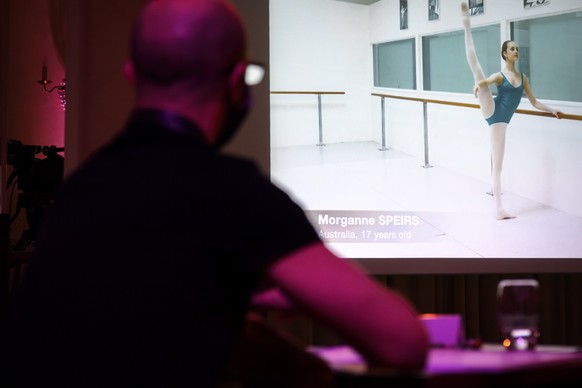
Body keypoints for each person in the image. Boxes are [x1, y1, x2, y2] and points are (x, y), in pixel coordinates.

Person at [0, 0, 429, 386]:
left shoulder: (79, 189)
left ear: (132, 74)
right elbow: (402, 342)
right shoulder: (233, 193)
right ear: (239, 80)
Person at [461, 2, 562, 220]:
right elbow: (487, 80)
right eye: (512, 49)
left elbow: (534, 102)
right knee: (477, 69)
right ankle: (467, 25)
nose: (516, 51)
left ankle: (499, 210)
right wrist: (479, 85)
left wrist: (552, 110)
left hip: (502, 122)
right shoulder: (500, 75)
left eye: (517, 48)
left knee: (497, 166)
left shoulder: (523, 78)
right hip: (493, 111)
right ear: (505, 54)